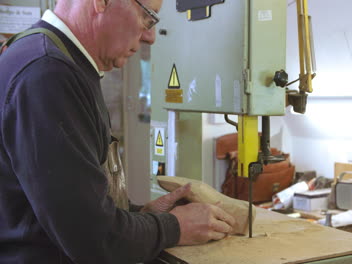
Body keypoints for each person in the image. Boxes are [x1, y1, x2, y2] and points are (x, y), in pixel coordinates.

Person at [0, 0, 235, 263]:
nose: (150, 37)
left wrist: (141, 216)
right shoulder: (48, 74)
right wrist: (175, 227)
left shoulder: (54, 60)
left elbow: (71, 206)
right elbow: (92, 238)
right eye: (148, 17)